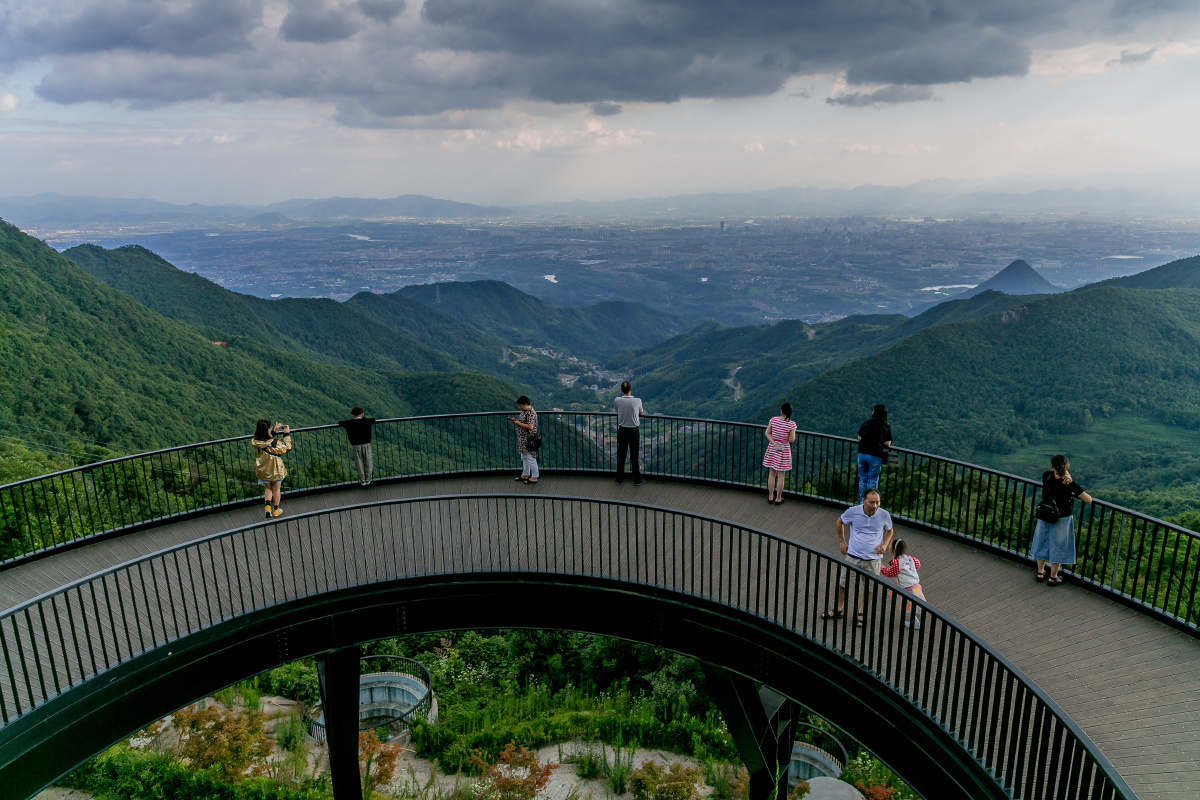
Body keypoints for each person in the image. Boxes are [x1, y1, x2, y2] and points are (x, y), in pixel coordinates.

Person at [824, 488, 893, 628]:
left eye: (877, 502)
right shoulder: (853, 512)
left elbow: (889, 529)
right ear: (863, 501)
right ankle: (839, 609)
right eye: (871, 502)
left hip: (873, 559)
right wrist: (842, 542)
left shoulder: (884, 515)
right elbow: (840, 522)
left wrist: (885, 544)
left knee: (869, 588)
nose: (875, 505)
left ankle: (862, 611)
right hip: (853, 556)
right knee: (843, 584)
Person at [1032, 454, 1092, 586]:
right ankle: (1053, 577)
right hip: (1062, 517)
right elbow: (1088, 499)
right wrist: (1069, 477)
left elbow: (1056, 476)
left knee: (1042, 541)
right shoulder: (1069, 483)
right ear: (1066, 466)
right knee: (1058, 546)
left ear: (1052, 466)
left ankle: (1040, 572)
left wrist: (1065, 474)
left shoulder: (1047, 476)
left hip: (1045, 513)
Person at [881, 538, 925, 628]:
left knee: (906, 607)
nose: (889, 546)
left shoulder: (897, 562)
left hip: (907, 589)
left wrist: (881, 567)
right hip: (915, 587)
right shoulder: (909, 557)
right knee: (910, 607)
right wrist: (909, 572)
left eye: (890, 545)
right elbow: (918, 564)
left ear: (894, 550)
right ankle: (915, 621)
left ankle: (915, 623)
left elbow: (889, 573)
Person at [252, 419, 291, 518]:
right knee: (276, 489)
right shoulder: (275, 442)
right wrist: (286, 435)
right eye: (270, 428)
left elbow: (266, 442)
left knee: (268, 488)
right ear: (267, 430)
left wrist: (274, 431)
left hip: (262, 469)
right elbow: (286, 448)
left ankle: (267, 508)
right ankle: (276, 510)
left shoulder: (255, 440)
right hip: (275, 469)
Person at [762, 402, 797, 505]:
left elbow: (767, 433)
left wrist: (774, 443)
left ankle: (770, 496)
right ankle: (778, 498)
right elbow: (791, 440)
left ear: (781, 411)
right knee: (781, 476)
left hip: (773, 448)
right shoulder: (791, 424)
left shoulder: (773, 420)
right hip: (783, 450)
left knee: (771, 474)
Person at [856, 405, 892, 501]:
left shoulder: (866, 423)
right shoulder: (885, 426)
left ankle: (862, 501)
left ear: (874, 413)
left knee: (863, 479)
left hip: (862, 453)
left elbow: (859, 437)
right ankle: (871, 501)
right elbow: (888, 443)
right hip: (875, 455)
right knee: (873, 480)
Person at [614, 381, 646, 486]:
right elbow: (640, 412)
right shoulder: (637, 401)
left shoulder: (617, 400)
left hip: (622, 430)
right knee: (634, 455)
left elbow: (617, 411)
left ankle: (619, 478)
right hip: (634, 431)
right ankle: (637, 479)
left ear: (621, 390)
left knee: (622, 455)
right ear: (631, 389)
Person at [337, 407, 376, 486]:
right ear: (362, 413)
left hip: (356, 445)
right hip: (366, 445)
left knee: (358, 463)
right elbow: (373, 420)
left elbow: (340, 423)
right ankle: (368, 479)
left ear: (353, 415)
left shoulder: (349, 423)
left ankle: (362, 480)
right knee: (368, 462)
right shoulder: (366, 421)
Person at [507, 396, 539, 484]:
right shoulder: (524, 412)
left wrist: (518, 423)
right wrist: (516, 422)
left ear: (526, 404)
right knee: (524, 457)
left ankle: (534, 476)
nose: (520, 407)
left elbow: (530, 426)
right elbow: (523, 422)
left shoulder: (531, 413)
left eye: (521, 405)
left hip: (528, 438)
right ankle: (525, 474)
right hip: (522, 439)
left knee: (530, 457)